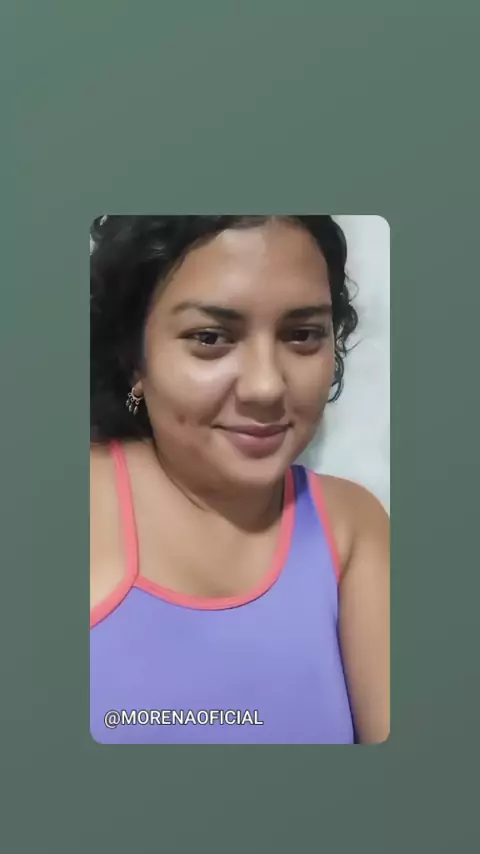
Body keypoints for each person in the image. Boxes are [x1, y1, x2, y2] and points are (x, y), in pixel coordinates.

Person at [90, 215, 390, 744]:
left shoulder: (350, 528)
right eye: (210, 337)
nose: (265, 387)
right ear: (133, 356)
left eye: (303, 335)